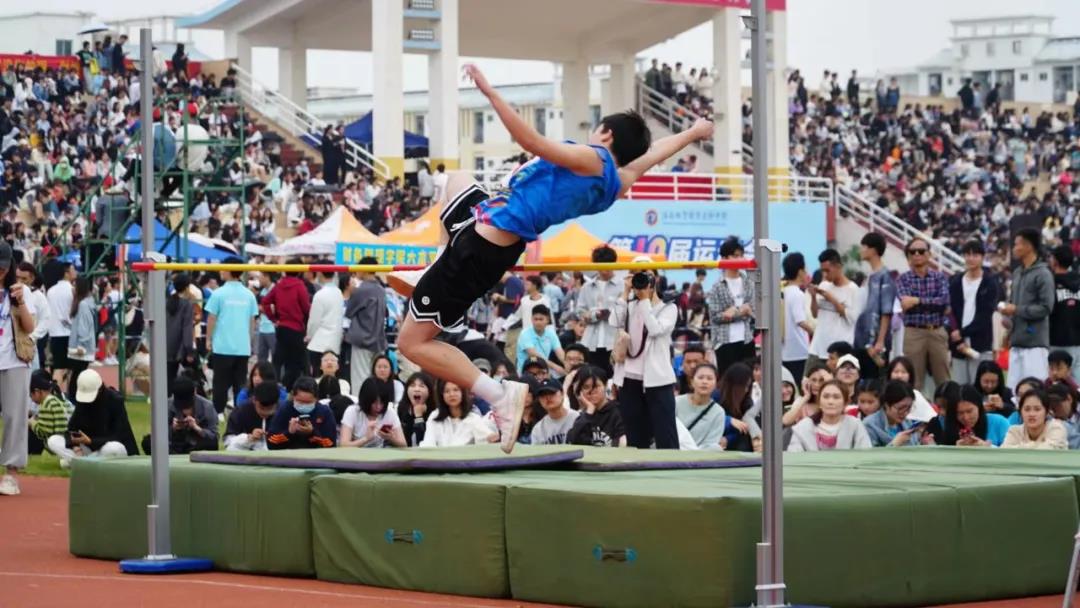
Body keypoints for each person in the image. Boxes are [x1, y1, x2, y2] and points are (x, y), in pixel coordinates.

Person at [394, 62, 712, 453]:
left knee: (411, 343)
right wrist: (693, 132)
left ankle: (498, 396)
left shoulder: (593, 158)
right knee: (455, 180)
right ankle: (432, 267)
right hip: (489, 228)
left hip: (482, 244)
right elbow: (653, 154)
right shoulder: (617, 181)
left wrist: (488, 90)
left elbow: (530, 139)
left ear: (606, 134)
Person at [611, 266, 679, 449]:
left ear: (655, 279)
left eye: (646, 275)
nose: (641, 279)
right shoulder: (630, 304)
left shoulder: (668, 308)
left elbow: (655, 329)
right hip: (629, 377)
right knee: (635, 436)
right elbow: (614, 321)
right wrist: (625, 293)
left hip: (658, 379)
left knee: (665, 434)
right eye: (636, 275)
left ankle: (672, 465)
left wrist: (644, 301)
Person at [46, 369, 138, 468]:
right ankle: (85, 462)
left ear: (100, 389)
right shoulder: (82, 402)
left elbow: (118, 436)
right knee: (53, 440)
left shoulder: (115, 401)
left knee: (114, 448)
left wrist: (91, 441)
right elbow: (71, 429)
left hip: (108, 447)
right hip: (89, 449)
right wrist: (76, 447)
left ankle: (78, 463)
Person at [1001, 228, 1055, 392]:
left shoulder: (1043, 274)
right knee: (1013, 392)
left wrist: (1016, 310)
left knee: (1035, 391)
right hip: (1016, 341)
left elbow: (1046, 307)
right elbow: (1014, 305)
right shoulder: (1017, 273)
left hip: (1035, 344)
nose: (1014, 248)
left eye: (1017, 244)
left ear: (1028, 246)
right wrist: (1008, 319)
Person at [0, 241, 35, 495]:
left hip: (14, 360)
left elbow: (30, 327)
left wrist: (20, 302)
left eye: (3, 267)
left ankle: (11, 473)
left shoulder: (19, 291)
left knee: (14, 416)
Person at [895, 237, 952, 390]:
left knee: (943, 380)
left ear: (929, 254)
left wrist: (917, 301)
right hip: (913, 332)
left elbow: (943, 303)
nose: (917, 254)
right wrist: (930, 303)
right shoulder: (903, 279)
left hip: (937, 331)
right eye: (913, 252)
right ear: (908, 256)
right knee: (913, 381)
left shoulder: (939, 277)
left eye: (921, 251)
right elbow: (906, 304)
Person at [205, 259, 260, 415]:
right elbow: (252, 321)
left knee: (220, 383)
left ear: (229, 270)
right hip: (242, 347)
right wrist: (249, 341)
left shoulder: (218, 293)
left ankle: (218, 413)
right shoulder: (249, 295)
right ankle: (239, 412)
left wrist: (208, 339)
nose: (221, 271)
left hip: (222, 346)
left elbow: (212, 318)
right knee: (240, 383)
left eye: (223, 268)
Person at [948, 240, 1001, 386]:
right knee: (960, 386)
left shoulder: (990, 282)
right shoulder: (955, 281)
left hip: (980, 342)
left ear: (982, 257)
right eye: (967, 255)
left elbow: (985, 314)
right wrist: (957, 337)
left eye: (975, 255)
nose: (971, 258)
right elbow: (951, 312)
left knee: (980, 385)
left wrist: (963, 332)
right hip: (958, 344)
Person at [707, 237, 756, 378]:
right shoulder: (717, 286)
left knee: (748, 381)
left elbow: (753, 310)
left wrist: (734, 313)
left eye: (741, 255)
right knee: (727, 382)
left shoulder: (749, 283)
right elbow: (715, 317)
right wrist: (742, 312)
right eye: (735, 256)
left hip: (746, 340)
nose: (740, 259)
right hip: (724, 342)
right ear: (724, 258)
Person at [807, 249, 860, 370]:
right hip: (817, 347)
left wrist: (831, 299)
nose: (825, 274)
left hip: (839, 352)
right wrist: (813, 297)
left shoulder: (853, 290)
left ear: (838, 267)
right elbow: (815, 314)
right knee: (809, 379)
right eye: (823, 271)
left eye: (827, 270)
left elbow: (852, 318)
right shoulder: (824, 285)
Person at [261, 266, 312, 390]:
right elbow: (306, 308)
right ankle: (306, 389)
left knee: (278, 361)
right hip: (296, 329)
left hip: (282, 327)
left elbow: (265, 302)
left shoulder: (279, 286)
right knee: (301, 362)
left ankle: (274, 388)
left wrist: (274, 318)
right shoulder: (299, 286)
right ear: (299, 271)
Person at [141, 376, 218, 455]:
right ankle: (172, 455)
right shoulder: (167, 406)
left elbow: (213, 435)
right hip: (174, 445)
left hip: (196, 444)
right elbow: (158, 434)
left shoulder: (207, 406)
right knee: (148, 441)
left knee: (211, 443)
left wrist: (197, 428)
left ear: (194, 392)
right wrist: (173, 428)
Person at [853, 233, 895, 379]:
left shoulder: (884, 276)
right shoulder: (870, 276)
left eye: (864, 247)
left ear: (873, 250)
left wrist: (880, 341)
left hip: (875, 343)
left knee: (875, 382)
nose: (861, 250)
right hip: (862, 339)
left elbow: (886, 311)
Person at [576, 246, 622, 377]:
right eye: (601, 265)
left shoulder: (622, 286)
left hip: (614, 341)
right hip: (591, 341)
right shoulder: (587, 287)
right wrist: (594, 315)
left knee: (615, 379)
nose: (605, 269)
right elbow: (580, 311)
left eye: (608, 265)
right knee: (593, 378)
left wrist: (611, 314)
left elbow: (626, 313)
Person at [787, 380, 872, 451]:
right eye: (826, 397)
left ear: (845, 403)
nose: (830, 402)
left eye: (836, 397)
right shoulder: (803, 427)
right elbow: (794, 457)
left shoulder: (855, 425)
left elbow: (865, 454)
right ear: (819, 402)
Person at [344, 257, 386, 392]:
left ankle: (361, 403)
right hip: (378, 339)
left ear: (364, 269)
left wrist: (350, 293)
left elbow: (349, 312)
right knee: (377, 379)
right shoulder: (381, 289)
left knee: (360, 379)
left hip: (362, 338)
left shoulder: (361, 290)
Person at [925, 383, 1010, 447]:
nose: (966, 417)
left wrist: (989, 448)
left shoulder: (999, 422)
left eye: (969, 411)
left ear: (979, 406)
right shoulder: (950, 426)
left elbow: (1012, 453)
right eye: (960, 413)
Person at [419, 379, 497, 447]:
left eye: (456, 390)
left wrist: (493, 438)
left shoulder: (473, 418)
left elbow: (486, 439)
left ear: (462, 392)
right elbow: (428, 442)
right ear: (441, 395)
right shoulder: (435, 416)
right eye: (447, 391)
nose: (452, 394)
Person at [267, 376, 336, 449]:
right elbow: (271, 443)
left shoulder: (324, 412)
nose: (303, 405)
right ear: (293, 396)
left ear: (316, 399)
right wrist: (289, 433)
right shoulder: (284, 410)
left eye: (308, 402)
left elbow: (331, 444)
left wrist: (312, 432)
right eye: (300, 401)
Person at [566, 366, 627, 447]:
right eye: (586, 387)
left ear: (605, 385)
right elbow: (571, 440)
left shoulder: (618, 412)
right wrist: (589, 412)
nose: (591, 391)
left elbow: (623, 443)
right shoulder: (583, 416)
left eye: (596, 386)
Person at [339, 378, 407, 448]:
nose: (378, 407)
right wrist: (366, 438)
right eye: (374, 403)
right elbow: (343, 445)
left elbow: (404, 445)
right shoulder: (352, 411)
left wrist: (390, 438)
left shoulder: (389, 412)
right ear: (365, 400)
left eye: (382, 403)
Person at [1048, 245, 1080, 384]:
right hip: (1078, 341)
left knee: (1056, 382)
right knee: (1077, 383)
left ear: (1055, 261)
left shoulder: (1050, 282)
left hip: (1056, 340)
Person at [862, 380, 928, 447]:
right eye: (900, 408)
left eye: (908, 408)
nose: (905, 413)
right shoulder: (870, 425)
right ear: (886, 405)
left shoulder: (907, 422)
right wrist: (894, 444)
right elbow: (870, 453)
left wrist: (924, 443)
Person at [305, 266, 344, 377]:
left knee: (317, 376)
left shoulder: (320, 295)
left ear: (320, 273)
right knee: (332, 377)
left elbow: (314, 321)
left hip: (318, 343)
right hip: (334, 343)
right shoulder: (339, 293)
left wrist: (309, 336)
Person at [675, 363, 724, 449]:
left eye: (709, 378)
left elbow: (711, 442)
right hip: (674, 450)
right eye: (700, 377)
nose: (704, 382)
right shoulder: (676, 402)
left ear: (716, 384)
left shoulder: (718, 412)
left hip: (700, 454)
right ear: (692, 382)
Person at [781, 252, 812, 382]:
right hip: (798, 351)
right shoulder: (797, 294)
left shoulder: (783, 291)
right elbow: (800, 321)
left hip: (784, 351)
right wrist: (815, 332)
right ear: (800, 271)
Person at [1002, 389, 1068, 449]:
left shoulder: (1056, 429)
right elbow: (1005, 451)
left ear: (1047, 412)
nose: (1031, 414)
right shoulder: (1014, 431)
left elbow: (1048, 451)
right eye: (1027, 409)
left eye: (1037, 409)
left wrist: (1021, 447)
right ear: (1020, 412)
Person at [224, 381, 280, 451]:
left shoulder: (282, 412)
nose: (265, 413)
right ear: (254, 400)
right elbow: (228, 441)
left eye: (270, 409)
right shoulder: (240, 412)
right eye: (261, 408)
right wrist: (248, 438)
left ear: (277, 403)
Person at [165, 273, 196, 397]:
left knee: (166, 377)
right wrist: (189, 350)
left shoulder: (166, 302)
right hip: (178, 347)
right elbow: (187, 328)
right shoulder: (186, 305)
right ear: (187, 287)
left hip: (164, 344)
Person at [14, 262, 49, 371]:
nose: (20, 281)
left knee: (31, 378)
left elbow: (45, 320)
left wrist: (31, 337)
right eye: (17, 277)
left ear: (32, 278)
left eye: (24, 279)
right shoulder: (10, 293)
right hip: (9, 346)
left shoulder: (39, 296)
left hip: (28, 348)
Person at [66, 277, 96, 402]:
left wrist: (81, 345)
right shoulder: (85, 303)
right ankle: (76, 402)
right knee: (77, 377)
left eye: (74, 286)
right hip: (82, 347)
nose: (72, 288)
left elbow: (83, 328)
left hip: (80, 349)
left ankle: (75, 403)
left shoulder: (83, 304)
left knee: (76, 379)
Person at [46, 261, 75, 385]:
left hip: (55, 333)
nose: (75, 272)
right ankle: (71, 393)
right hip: (70, 332)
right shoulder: (72, 290)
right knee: (72, 368)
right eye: (73, 270)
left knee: (58, 367)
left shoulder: (51, 291)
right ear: (66, 273)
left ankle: (55, 393)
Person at [27, 370, 70, 455]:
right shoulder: (58, 398)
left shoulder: (47, 403)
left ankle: (31, 452)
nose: (31, 399)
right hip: (69, 440)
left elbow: (43, 432)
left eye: (31, 395)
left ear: (37, 391)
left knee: (33, 425)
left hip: (62, 442)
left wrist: (32, 423)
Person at [515, 304, 565, 376]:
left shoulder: (551, 333)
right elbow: (534, 355)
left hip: (544, 373)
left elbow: (560, 353)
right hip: (526, 373)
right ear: (532, 319)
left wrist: (567, 365)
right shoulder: (525, 334)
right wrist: (556, 367)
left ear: (547, 320)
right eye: (535, 319)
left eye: (541, 319)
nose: (538, 322)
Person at [529, 378, 580, 445]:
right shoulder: (538, 429)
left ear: (562, 394)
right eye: (542, 395)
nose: (547, 397)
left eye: (552, 393)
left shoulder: (578, 418)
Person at [398, 372, 437, 447]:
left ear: (429, 391)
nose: (416, 389)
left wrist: (419, 416)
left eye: (422, 386)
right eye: (412, 385)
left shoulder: (434, 413)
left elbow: (421, 441)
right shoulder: (402, 408)